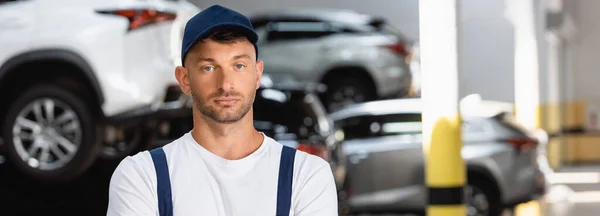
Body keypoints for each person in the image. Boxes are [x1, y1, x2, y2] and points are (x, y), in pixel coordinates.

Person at [106, 4, 338, 216]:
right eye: (209, 67)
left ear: (257, 74)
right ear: (184, 79)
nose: (226, 84)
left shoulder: (306, 174)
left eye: (238, 65)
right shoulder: (142, 176)